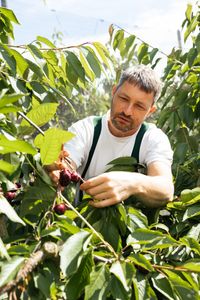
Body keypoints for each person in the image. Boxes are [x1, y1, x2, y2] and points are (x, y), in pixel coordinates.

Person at [48, 64, 174, 208]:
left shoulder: (153, 138)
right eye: (124, 99)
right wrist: (56, 168)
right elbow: (67, 163)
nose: (127, 111)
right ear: (114, 92)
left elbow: (165, 190)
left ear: (150, 111)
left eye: (139, 106)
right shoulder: (86, 129)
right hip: (81, 225)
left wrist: (131, 183)